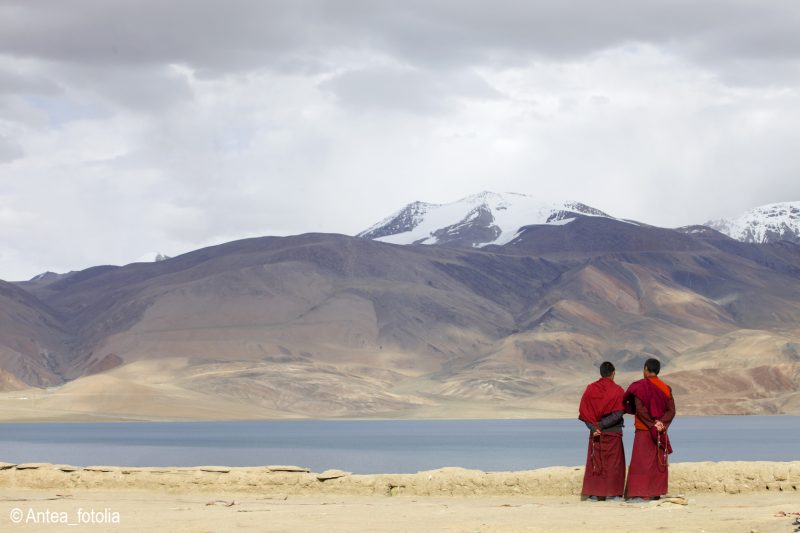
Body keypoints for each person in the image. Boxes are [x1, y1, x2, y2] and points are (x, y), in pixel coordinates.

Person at [623, 358, 676, 501]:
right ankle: (656, 492)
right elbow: (671, 411)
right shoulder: (666, 388)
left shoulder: (639, 386)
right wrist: (661, 423)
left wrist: (652, 424)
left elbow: (639, 409)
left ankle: (639, 493)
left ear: (646, 369)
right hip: (660, 430)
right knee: (657, 461)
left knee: (641, 462)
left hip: (643, 429)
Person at [578, 361, 626, 501]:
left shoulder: (590, 389)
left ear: (601, 373)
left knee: (596, 462)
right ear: (613, 374)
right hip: (612, 432)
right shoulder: (618, 390)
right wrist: (602, 425)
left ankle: (594, 494)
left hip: (595, 432)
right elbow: (618, 413)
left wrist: (594, 427)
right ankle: (612, 494)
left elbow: (584, 412)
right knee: (613, 464)